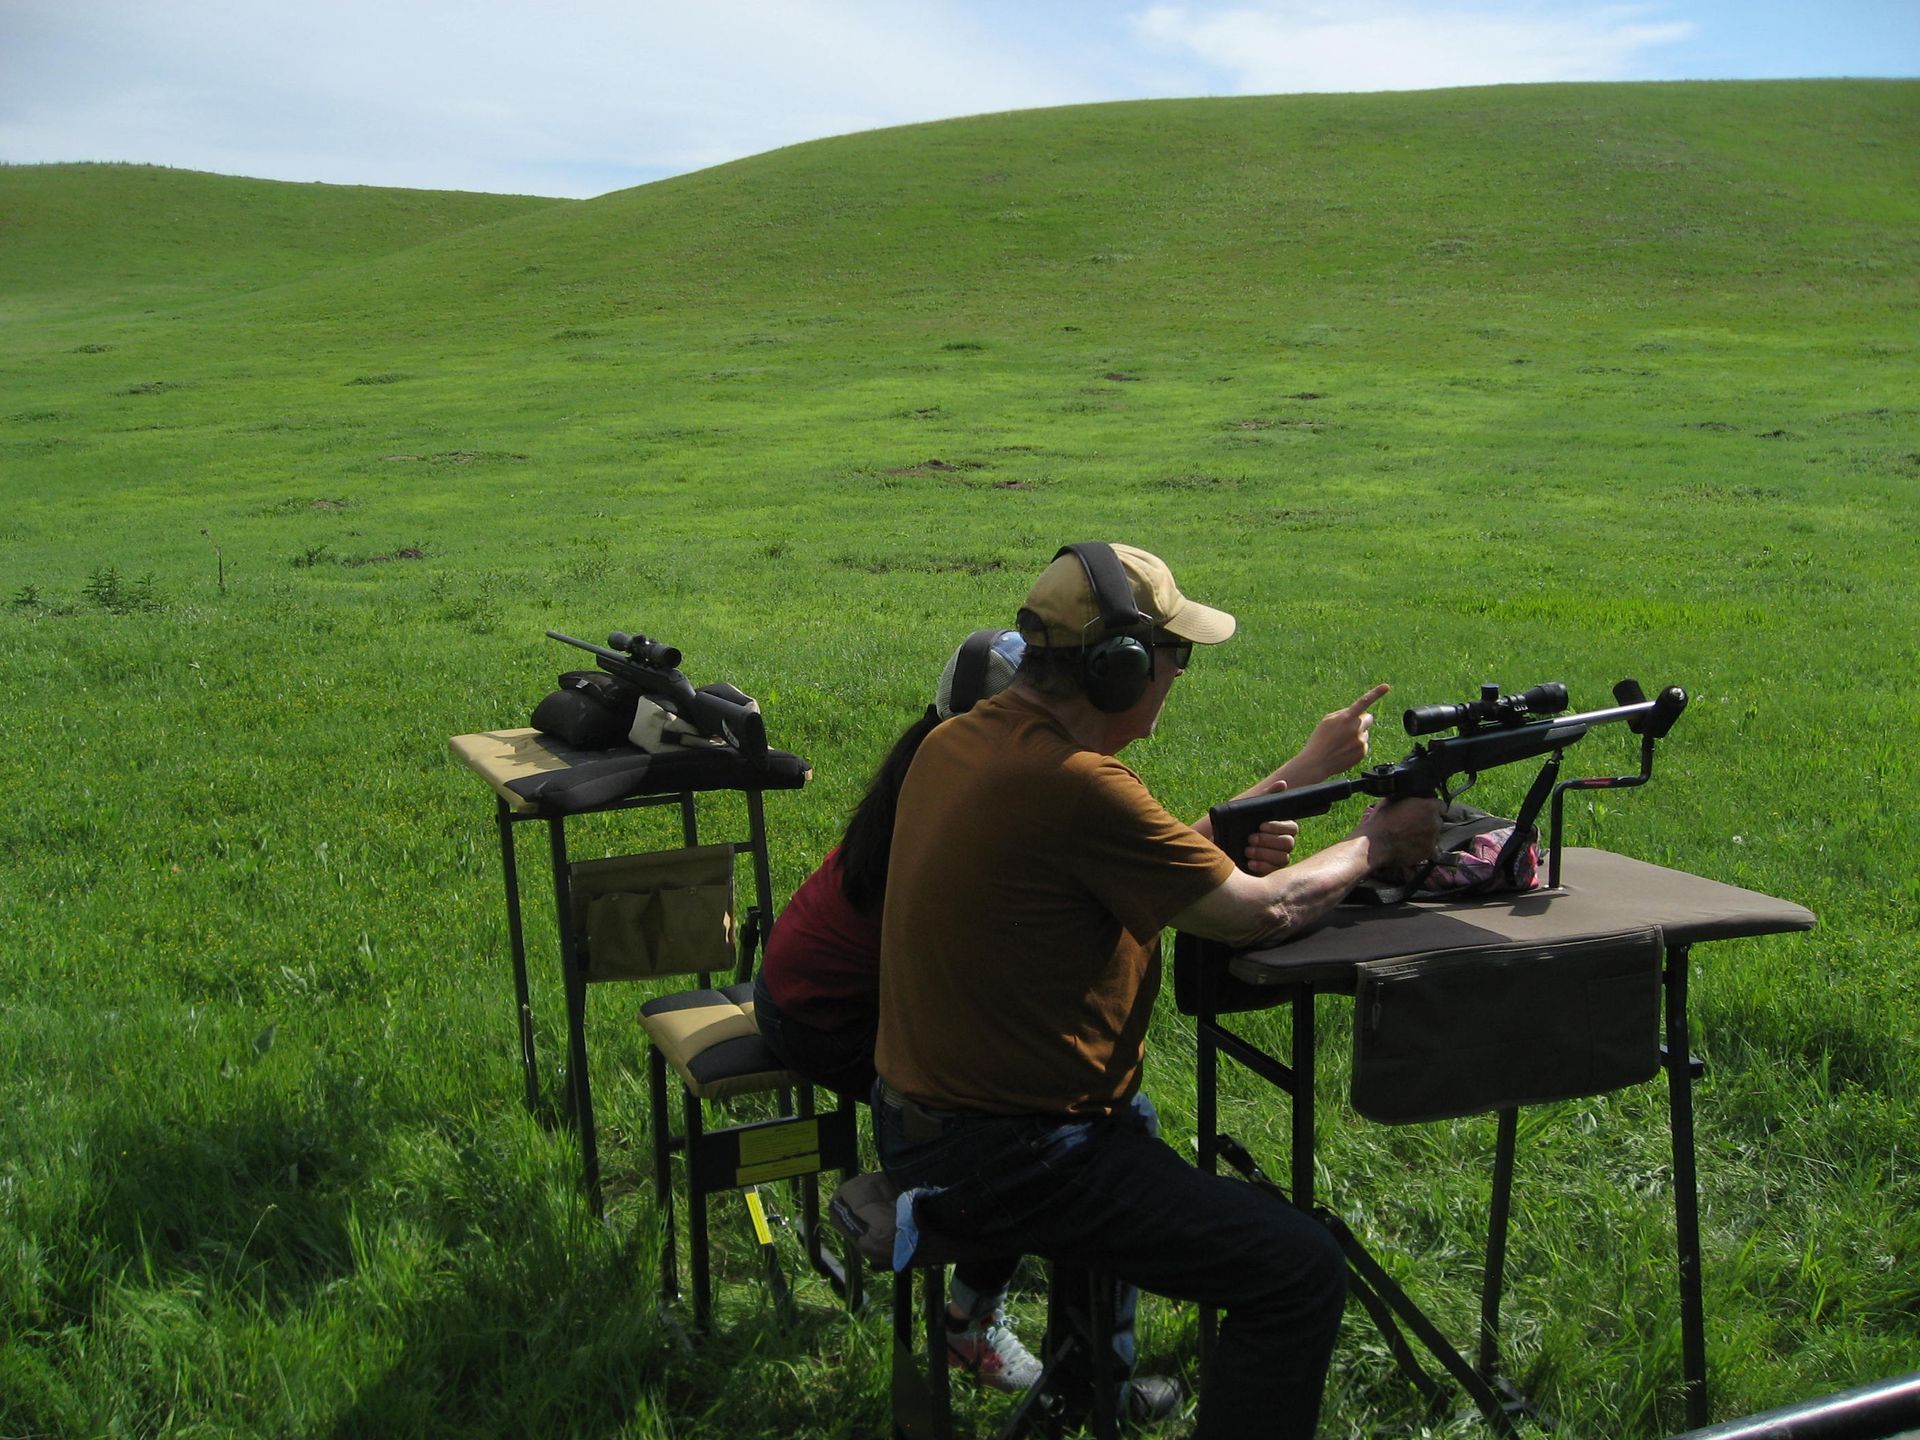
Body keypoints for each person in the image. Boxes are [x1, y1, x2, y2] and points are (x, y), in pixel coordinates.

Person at [872, 542, 1442, 1439]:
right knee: (1298, 1273)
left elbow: (1154, 856)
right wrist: (1377, 841)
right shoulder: (1076, 784)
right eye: (1172, 657)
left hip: (930, 1122)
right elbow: (1261, 912)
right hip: (1011, 1155)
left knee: (1131, 1122)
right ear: (1118, 668)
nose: (1177, 674)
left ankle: (1078, 1388)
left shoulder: (963, 743)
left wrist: (1306, 773)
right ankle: (1086, 1381)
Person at [753, 628, 1047, 1390]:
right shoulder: (960, 806)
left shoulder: (931, 771)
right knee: (1013, 1123)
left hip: (821, 991)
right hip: (817, 1017)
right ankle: (967, 1324)